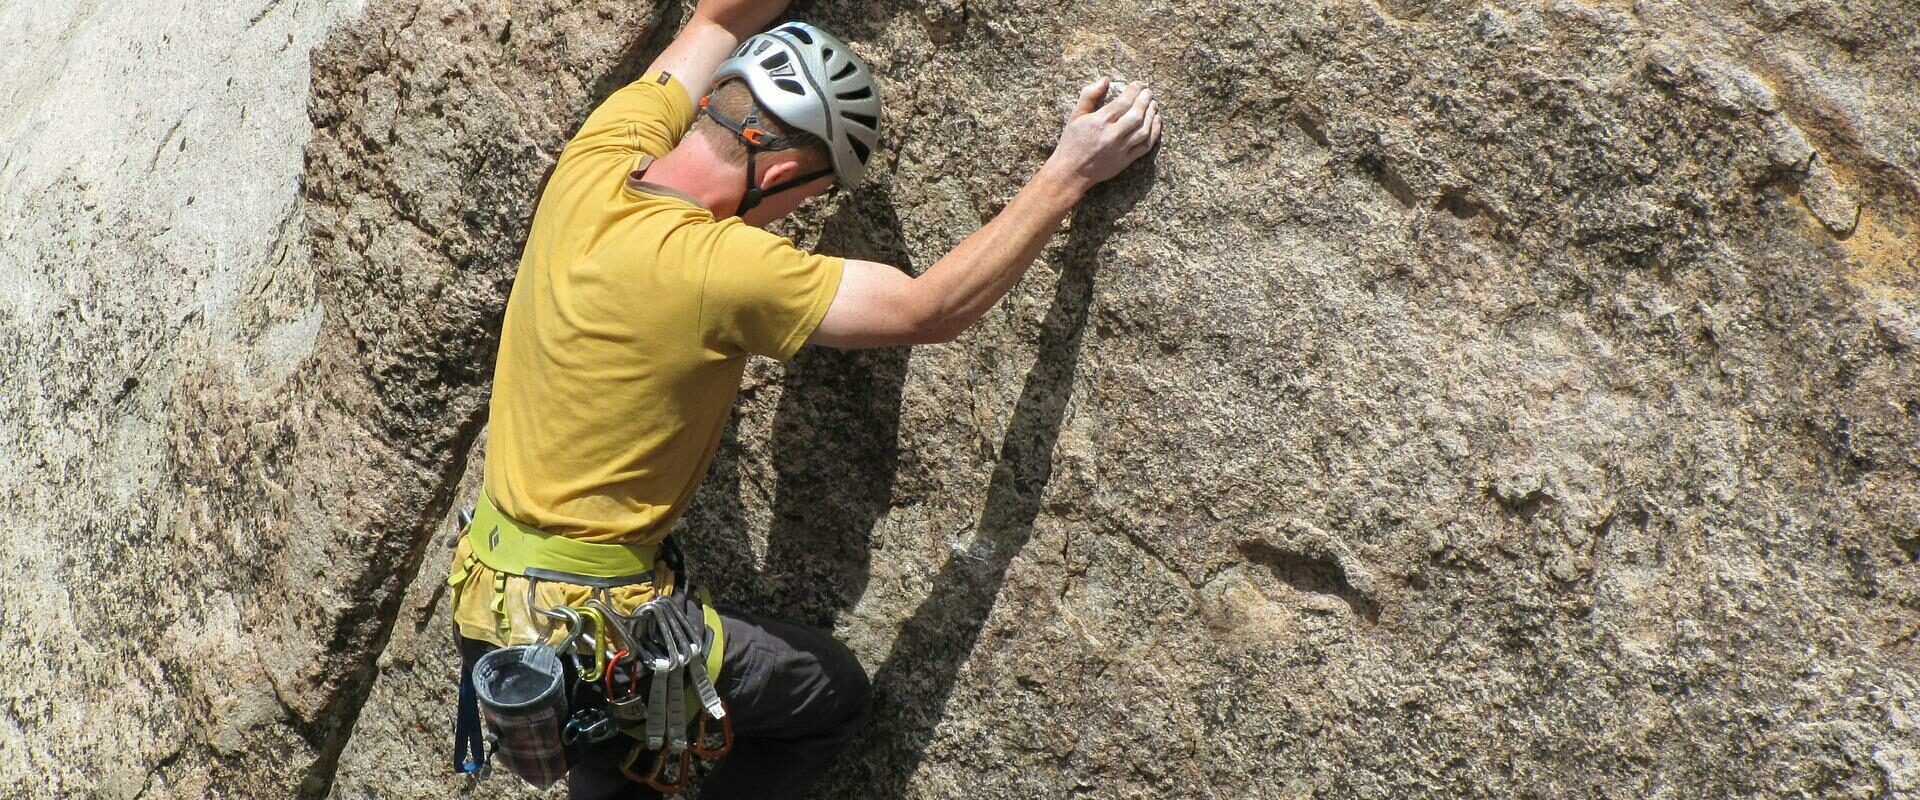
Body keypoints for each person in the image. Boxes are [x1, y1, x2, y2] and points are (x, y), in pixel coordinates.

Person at [445, 0, 1162, 797]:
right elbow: (931, 310)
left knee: (626, 767)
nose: (796, 217)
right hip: (594, 633)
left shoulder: (603, 148)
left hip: (492, 610)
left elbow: (716, 22)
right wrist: (1071, 170)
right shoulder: (723, 267)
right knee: (829, 694)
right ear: (783, 175)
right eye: (807, 197)